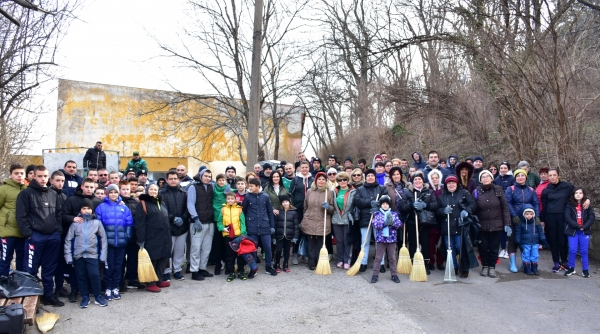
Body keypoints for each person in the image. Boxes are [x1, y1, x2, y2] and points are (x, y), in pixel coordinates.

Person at [16, 166, 64, 306]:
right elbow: (21, 216)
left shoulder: (53, 194)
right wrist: (29, 235)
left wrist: (58, 231)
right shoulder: (26, 194)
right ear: (34, 177)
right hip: (35, 237)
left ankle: (48, 295)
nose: (43, 179)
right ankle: (30, 300)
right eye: (40, 176)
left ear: (48, 178)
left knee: (49, 268)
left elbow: (58, 214)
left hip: (53, 237)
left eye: (45, 176)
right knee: (31, 268)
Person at [64, 198, 109, 308]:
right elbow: (68, 240)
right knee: (81, 276)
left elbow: (103, 240)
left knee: (95, 275)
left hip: (92, 254)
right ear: (80, 210)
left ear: (92, 210)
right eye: (84, 208)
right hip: (78, 255)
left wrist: (103, 256)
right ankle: (85, 297)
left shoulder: (97, 223)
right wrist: (68, 257)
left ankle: (98, 296)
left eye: (89, 208)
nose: (86, 211)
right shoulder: (75, 224)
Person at [95, 184, 133, 301]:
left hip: (121, 243)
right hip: (108, 244)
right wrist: (101, 240)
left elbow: (129, 223)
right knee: (108, 266)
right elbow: (98, 224)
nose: (113, 194)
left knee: (118, 266)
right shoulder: (101, 207)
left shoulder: (124, 208)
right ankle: (108, 288)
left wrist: (127, 237)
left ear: (118, 193)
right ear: (107, 193)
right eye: (111, 192)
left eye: (115, 192)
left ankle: (115, 287)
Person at [540, 168, 582, 272]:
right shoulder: (546, 190)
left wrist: (587, 200)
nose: (552, 177)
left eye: (554, 175)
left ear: (558, 176)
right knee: (553, 240)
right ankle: (556, 262)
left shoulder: (568, 187)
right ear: (548, 177)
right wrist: (542, 220)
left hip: (563, 216)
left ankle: (564, 261)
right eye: (550, 175)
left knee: (562, 240)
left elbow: (579, 194)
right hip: (550, 217)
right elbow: (544, 206)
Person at [436, 175, 476, 277]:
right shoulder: (442, 196)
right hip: (447, 227)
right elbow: (437, 210)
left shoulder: (464, 193)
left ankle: (464, 268)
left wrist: (467, 211)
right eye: (449, 183)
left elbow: (473, 204)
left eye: (453, 183)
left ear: (457, 184)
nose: (451, 185)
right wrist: (443, 211)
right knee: (450, 248)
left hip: (460, 226)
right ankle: (454, 267)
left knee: (461, 247)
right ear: (446, 185)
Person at [473, 170, 511, 278]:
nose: (485, 178)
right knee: (483, 248)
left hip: (497, 225)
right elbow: (473, 207)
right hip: (482, 225)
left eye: (487, 176)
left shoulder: (498, 190)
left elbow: (505, 207)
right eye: (483, 177)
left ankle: (492, 267)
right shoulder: (477, 191)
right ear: (480, 180)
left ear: (491, 178)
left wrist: (507, 223)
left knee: (494, 248)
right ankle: (485, 266)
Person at [399, 171, 438, 275]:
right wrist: (411, 205)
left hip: (425, 222)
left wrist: (426, 205)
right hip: (412, 221)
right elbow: (402, 207)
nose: (417, 181)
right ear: (412, 181)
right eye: (415, 179)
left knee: (425, 243)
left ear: (422, 180)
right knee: (413, 243)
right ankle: (414, 263)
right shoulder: (407, 192)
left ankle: (425, 264)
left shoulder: (429, 191)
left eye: (419, 179)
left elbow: (435, 205)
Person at [136, 184, 172, 292]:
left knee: (163, 257)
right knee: (152, 259)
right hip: (151, 236)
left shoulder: (161, 202)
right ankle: (150, 283)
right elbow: (139, 223)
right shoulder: (143, 204)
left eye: (155, 189)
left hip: (165, 236)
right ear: (147, 191)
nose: (153, 191)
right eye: (151, 189)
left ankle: (158, 279)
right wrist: (141, 240)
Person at [505, 168, 539, 272]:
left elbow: (536, 203)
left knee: (526, 241)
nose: (520, 177)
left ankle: (525, 262)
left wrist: (536, 216)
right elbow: (508, 203)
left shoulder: (531, 190)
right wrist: (514, 215)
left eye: (522, 175)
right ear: (515, 178)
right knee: (512, 241)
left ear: (526, 177)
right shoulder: (510, 189)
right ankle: (513, 263)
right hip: (513, 219)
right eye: (518, 176)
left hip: (528, 219)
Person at [353, 169, 388, 272]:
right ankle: (363, 262)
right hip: (365, 218)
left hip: (379, 218)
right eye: (368, 176)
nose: (370, 177)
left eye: (372, 176)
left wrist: (378, 205)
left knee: (379, 241)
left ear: (375, 177)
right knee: (365, 242)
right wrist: (370, 202)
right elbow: (357, 201)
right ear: (366, 177)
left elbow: (386, 200)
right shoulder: (360, 189)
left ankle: (380, 263)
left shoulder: (381, 188)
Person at [300, 172, 334, 271]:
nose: (321, 181)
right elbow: (305, 206)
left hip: (323, 221)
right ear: (316, 181)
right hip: (310, 220)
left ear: (326, 181)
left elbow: (332, 209)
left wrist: (328, 207)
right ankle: (311, 263)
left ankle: (319, 262)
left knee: (320, 244)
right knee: (311, 244)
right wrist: (305, 217)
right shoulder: (310, 191)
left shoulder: (329, 192)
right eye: (319, 179)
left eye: (323, 179)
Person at [242, 178, 277, 276]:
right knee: (252, 248)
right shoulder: (247, 196)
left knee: (268, 247)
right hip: (252, 227)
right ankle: (253, 269)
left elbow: (270, 212)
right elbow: (243, 213)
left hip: (265, 226)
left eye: (252, 186)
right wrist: (244, 228)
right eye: (249, 185)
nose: (250, 187)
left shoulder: (265, 196)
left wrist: (272, 226)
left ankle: (269, 267)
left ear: (258, 186)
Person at [160, 170, 189, 282]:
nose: (173, 180)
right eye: (171, 179)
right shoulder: (162, 193)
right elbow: (162, 209)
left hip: (182, 226)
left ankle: (177, 270)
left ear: (178, 179)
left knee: (179, 250)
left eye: (175, 178)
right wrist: (172, 218)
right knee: (168, 251)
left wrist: (184, 218)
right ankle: (166, 271)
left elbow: (188, 207)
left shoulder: (183, 192)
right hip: (168, 227)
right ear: (167, 180)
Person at [187, 168, 215, 281]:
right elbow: (190, 204)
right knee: (196, 247)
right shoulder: (193, 187)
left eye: (209, 176)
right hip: (198, 222)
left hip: (209, 221)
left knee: (206, 248)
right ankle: (194, 270)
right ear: (201, 176)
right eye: (206, 176)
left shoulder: (211, 187)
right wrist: (195, 218)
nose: (208, 178)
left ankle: (202, 268)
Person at [0, 163, 26, 277]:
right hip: (7, 231)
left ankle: (19, 286)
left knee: (21, 260)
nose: (19, 176)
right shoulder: (3, 189)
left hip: (22, 232)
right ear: (10, 175)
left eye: (21, 173)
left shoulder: (27, 190)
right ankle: (3, 284)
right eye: (16, 173)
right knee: (5, 259)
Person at [370, 195, 402, 284]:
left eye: (387, 204)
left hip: (392, 240)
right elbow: (375, 224)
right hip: (381, 240)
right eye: (383, 204)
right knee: (378, 258)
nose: (385, 205)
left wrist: (392, 223)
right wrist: (384, 223)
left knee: (392, 258)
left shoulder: (394, 214)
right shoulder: (377, 214)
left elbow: (399, 224)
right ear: (380, 205)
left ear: (389, 205)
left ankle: (394, 274)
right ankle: (375, 275)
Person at [564, 187, 595, 278]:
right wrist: (577, 226)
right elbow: (567, 217)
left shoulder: (587, 205)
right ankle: (571, 268)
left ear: (583, 195)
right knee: (572, 250)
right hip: (573, 231)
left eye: (580, 193)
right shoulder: (569, 205)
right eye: (576, 193)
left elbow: (591, 217)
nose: (578, 194)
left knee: (584, 251)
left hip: (584, 231)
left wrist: (584, 226)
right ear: (573, 195)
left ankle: (585, 270)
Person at [216, 192, 246, 281]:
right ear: (226, 199)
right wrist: (222, 228)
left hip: (238, 235)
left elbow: (242, 222)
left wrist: (243, 233)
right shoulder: (223, 209)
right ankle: (231, 272)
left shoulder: (239, 209)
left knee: (240, 254)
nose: (230, 200)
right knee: (229, 255)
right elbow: (219, 222)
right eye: (228, 199)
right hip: (228, 235)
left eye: (232, 199)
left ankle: (241, 271)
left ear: (235, 199)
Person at [289, 161, 314, 265]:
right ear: (299, 168)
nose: (304, 169)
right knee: (297, 231)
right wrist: (293, 206)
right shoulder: (295, 179)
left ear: (309, 168)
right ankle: (295, 253)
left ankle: (306, 254)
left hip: (309, 209)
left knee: (308, 231)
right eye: (302, 167)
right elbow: (291, 194)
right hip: (298, 208)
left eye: (306, 167)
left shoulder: (312, 180)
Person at [48, 171, 68, 299]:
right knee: (50, 263)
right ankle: (49, 291)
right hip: (52, 233)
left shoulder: (64, 196)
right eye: (57, 180)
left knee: (61, 262)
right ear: (51, 181)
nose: (60, 183)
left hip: (62, 233)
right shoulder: (48, 194)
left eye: (62, 181)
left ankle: (59, 287)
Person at [514, 205, 548, 275]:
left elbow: (540, 232)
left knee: (535, 255)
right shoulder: (520, 223)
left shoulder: (536, 222)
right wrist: (518, 242)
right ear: (523, 214)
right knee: (526, 255)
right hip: (525, 243)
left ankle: (534, 268)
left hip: (535, 242)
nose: (529, 216)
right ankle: (527, 268)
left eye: (531, 214)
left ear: (533, 214)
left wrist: (543, 240)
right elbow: (518, 234)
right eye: (527, 214)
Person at [331, 172, 355, 270]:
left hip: (348, 219)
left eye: (344, 179)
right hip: (336, 219)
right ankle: (340, 259)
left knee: (347, 241)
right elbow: (332, 204)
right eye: (340, 180)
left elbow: (355, 205)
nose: (342, 182)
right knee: (339, 241)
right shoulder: (334, 191)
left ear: (347, 180)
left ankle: (347, 260)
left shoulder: (353, 191)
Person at [210, 173, 230, 275]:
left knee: (226, 243)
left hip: (226, 219)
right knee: (217, 243)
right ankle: (218, 264)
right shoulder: (213, 190)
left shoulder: (228, 190)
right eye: (219, 180)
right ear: (216, 181)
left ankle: (227, 263)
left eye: (223, 180)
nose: (221, 182)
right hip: (216, 219)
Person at [273, 195, 298, 273]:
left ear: (289, 202)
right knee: (279, 250)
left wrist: (295, 236)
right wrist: (273, 237)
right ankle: (277, 264)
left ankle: (285, 264)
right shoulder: (278, 212)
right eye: (283, 202)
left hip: (289, 235)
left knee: (287, 251)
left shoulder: (294, 212)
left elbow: (296, 226)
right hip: (279, 235)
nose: (285, 203)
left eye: (286, 201)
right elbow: (275, 225)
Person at [427, 169, 445, 271]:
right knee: (431, 242)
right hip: (431, 219)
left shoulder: (443, 189)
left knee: (441, 242)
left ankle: (440, 261)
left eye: (436, 178)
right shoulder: (428, 189)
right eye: (432, 178)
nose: (434, 180)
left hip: (441, 219)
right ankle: (431, 261)